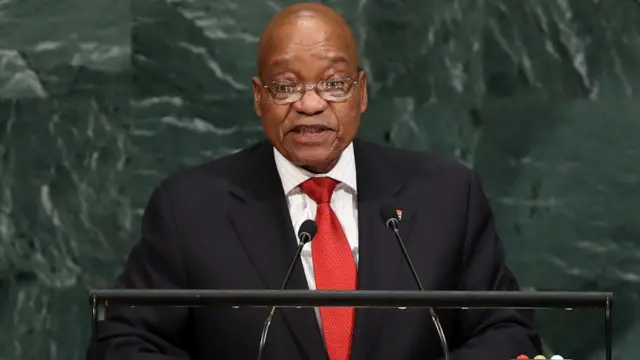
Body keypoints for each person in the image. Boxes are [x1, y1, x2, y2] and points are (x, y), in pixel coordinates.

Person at [95, 2, 542, 360]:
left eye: (333, 83)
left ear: (362, 93)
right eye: (286, 86)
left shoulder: (445, 194)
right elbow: (125, 342)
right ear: (259, 98)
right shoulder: (190, 209)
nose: (310, 104)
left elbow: (505, 328)